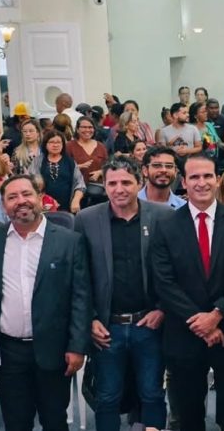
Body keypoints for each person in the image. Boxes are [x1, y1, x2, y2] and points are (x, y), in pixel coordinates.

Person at [150, 154, 224, 431]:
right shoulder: (166, 225)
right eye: (194, 177)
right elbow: (164, 282)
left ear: (217, 179)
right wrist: (201, 322)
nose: (202, 182)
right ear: (183, 182)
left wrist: (217, 314)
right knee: (189, 416)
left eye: (207, 176)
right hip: (185, 332)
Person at [75, 156, 169, 431]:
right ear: (104, 186)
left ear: (139, 182)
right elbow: (80, 277)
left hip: (149, 324)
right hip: (107, 327)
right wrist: (91, 318)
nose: (119, 189)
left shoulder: (163, 216)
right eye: (112, 183)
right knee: (107, 397)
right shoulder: (86, 219)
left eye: (126, 182)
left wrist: (162, 308)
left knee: (152, 393)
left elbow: (175, 270)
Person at [0, 174, 90, 430]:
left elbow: (81, 297)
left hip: (54, 350)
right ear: (4, 205)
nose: (20, 201)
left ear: (40, 197)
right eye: (12, 197)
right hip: (8, 352)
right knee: (16, 422)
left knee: (54, 420)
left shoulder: (69, 241)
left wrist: (77, 346)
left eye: (26, 194)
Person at [39, 130, 86, 213]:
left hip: (67, 207)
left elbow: (80, 183)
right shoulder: (38, 161)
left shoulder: (70, 161)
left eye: (58, 142)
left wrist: (76, 200)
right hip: (43, 206)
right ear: (45, 144)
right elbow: (31, 183)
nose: (55, 145)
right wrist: (41, 199)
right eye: (51, 142)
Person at [67, 116, 108, 183]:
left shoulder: (101, 146)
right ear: (77, 129)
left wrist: (100, 172)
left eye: (90, 127)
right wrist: (78, 167)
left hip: (97, 186)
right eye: (84, 127)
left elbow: (108, 167)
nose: (87, 130)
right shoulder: (69, 146)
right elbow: (63, 167)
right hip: (75, 186)